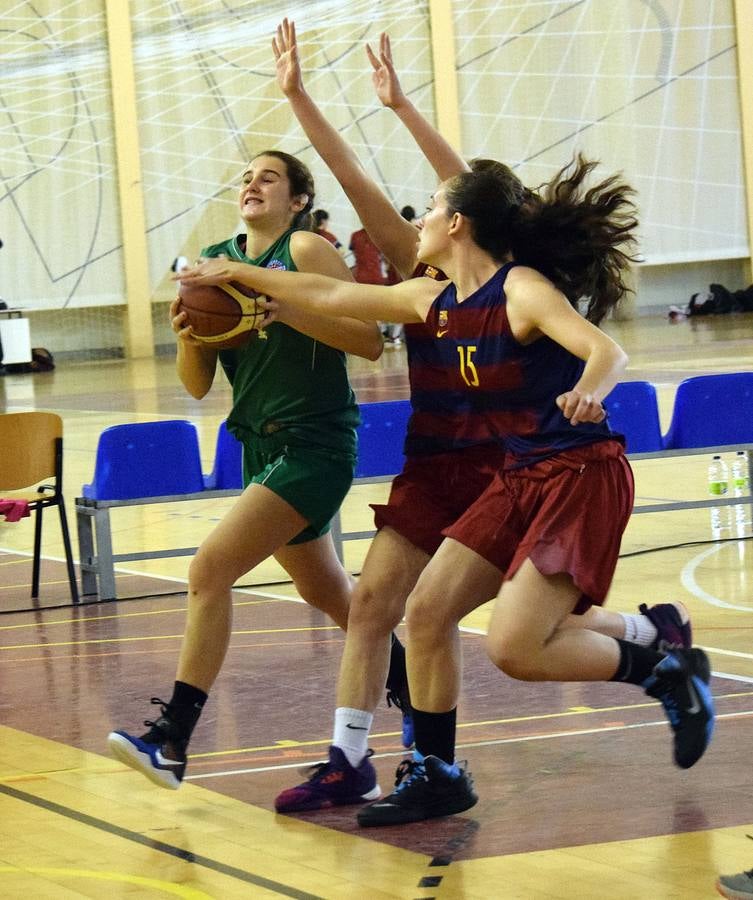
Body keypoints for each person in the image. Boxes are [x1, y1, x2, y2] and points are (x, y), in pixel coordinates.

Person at [176, 23, 711, 825]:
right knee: (403, 610)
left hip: (532, 464)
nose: (410, 217)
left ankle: (646, 656)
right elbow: (336, 265)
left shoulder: (509, 280)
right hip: (449, 461)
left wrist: (399, 112)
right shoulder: (423, 288)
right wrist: (302, 112)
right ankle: (388, 763)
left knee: (508, 634)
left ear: (455, 224)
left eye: (430, 210)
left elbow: (467, 197)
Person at [106, 149, 413, 790]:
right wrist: (192, 331)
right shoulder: (215, 262)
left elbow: (368, 339)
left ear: (297, 199)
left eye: (268, 176)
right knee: (329, 594)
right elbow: (195, 387)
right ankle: (417, 701)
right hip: (258, 447)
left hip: (314, 444)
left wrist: (283, 308)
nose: (252, 183)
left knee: (209, 568)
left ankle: (173, 740)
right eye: (246, 175)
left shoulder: (305, 250)